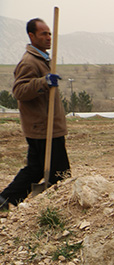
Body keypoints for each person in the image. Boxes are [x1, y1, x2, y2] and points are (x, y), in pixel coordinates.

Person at [0, 18, 69, 212]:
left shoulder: (43, 59)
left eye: (50, 34)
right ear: (32, 36)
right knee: (60, 175)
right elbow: (19, 91)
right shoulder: (29, 62)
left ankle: (5, 200)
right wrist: (43, 82)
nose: (49, 38)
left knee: (35, 168)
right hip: (43, 128)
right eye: (43, 34)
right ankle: (59, 211)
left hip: (47, 126)